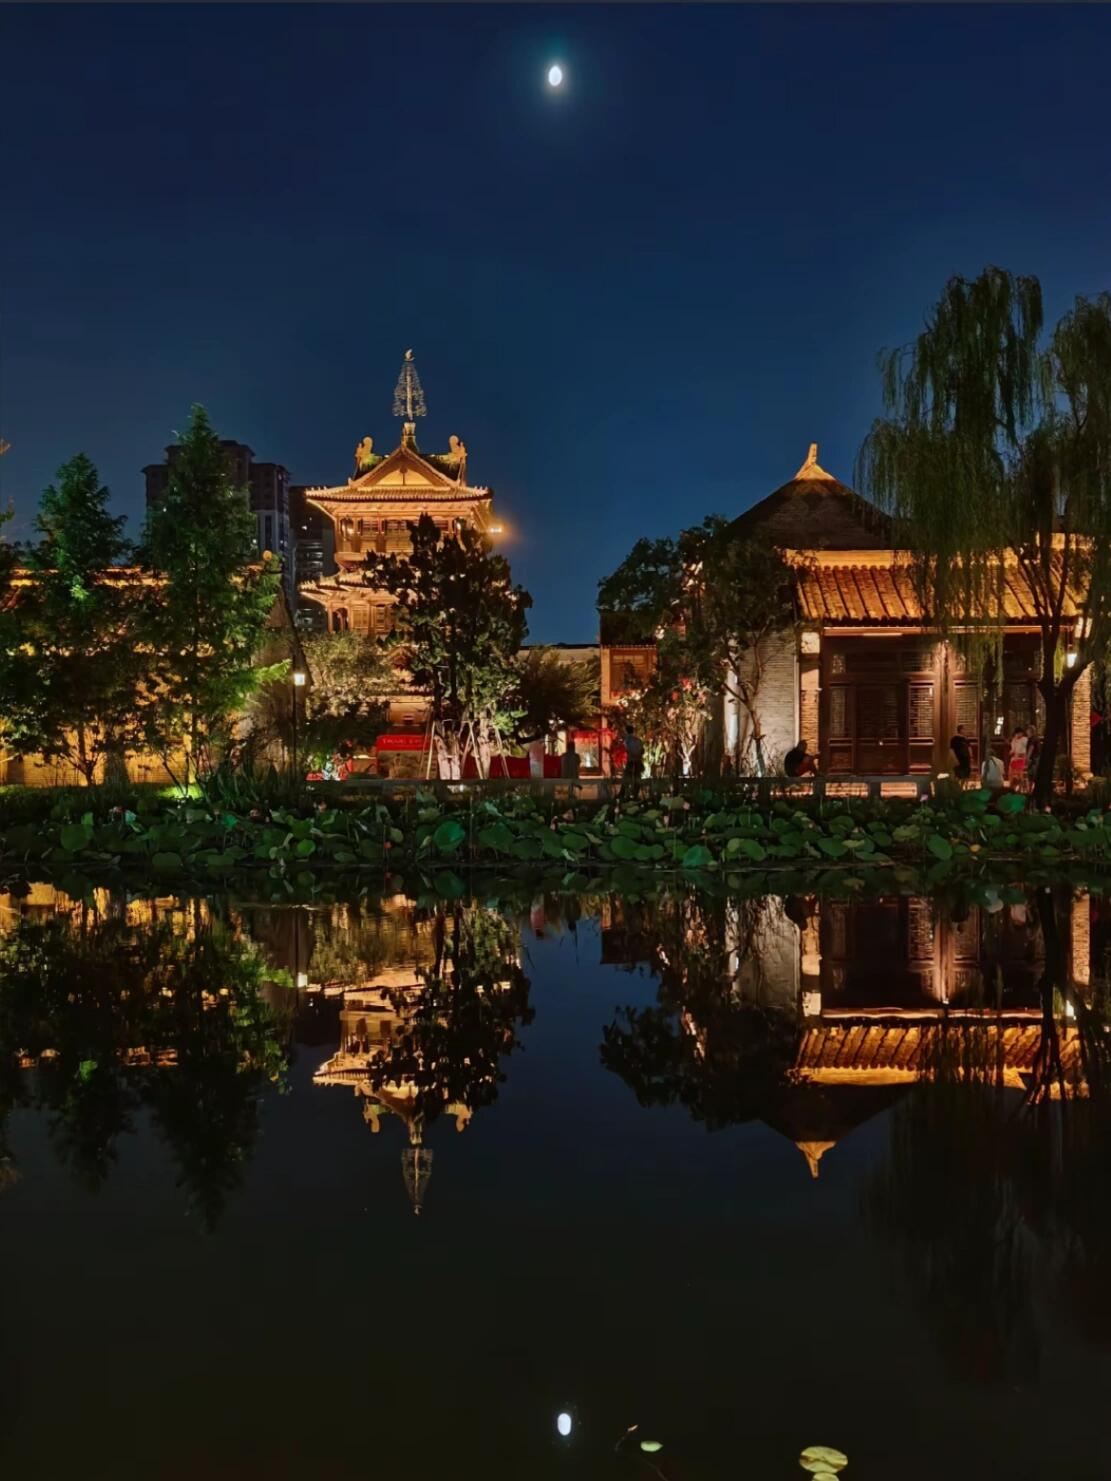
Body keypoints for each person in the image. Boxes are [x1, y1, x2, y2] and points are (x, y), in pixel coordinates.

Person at [620, 724, 644, 799]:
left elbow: (627, 749)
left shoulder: (627, 740)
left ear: (626, 731)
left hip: (631, 760)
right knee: (637, 777)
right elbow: (642, 750)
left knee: (627, 777)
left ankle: (623, 793)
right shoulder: (638, 740)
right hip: (638, 761)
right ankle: (635, 794)